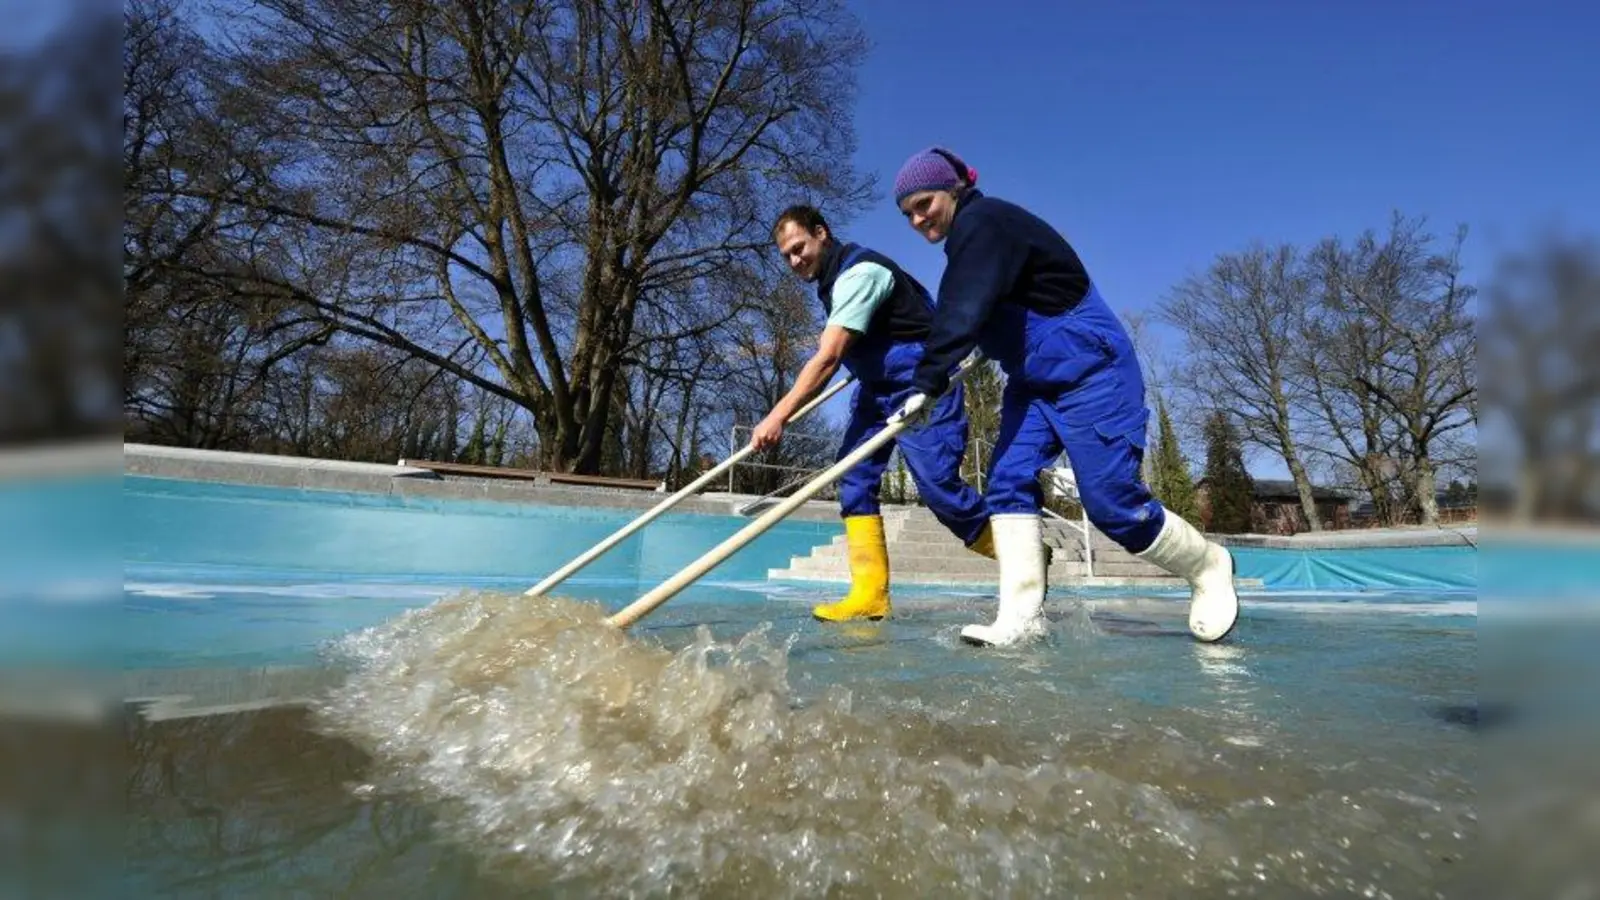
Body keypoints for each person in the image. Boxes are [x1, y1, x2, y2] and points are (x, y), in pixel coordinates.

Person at [889, 147, 1240, 647]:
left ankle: (1207, 566)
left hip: (1092, 371)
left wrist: (926, 379)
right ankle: (1019, 617)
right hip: (1033, 384)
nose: (918, 218)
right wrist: (939, 365)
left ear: (954, 190)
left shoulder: (984, 223)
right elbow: (967, 315)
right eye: (908, 214)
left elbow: (962, 308)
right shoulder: (968, 246)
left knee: (1111, 505)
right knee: (1007, 483)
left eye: (924, 203)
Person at [753, 204, 996, 623]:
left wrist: (778, 416)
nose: (795, 261)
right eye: (787, 256)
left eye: (799, 248)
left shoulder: (861, 273)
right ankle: (870, 594)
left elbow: (827, 360)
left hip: (921, 380)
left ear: (821, 233)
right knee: (853, 477)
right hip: (876, 390)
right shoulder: (831, 283)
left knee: (938, 488)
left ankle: (1025, 558)